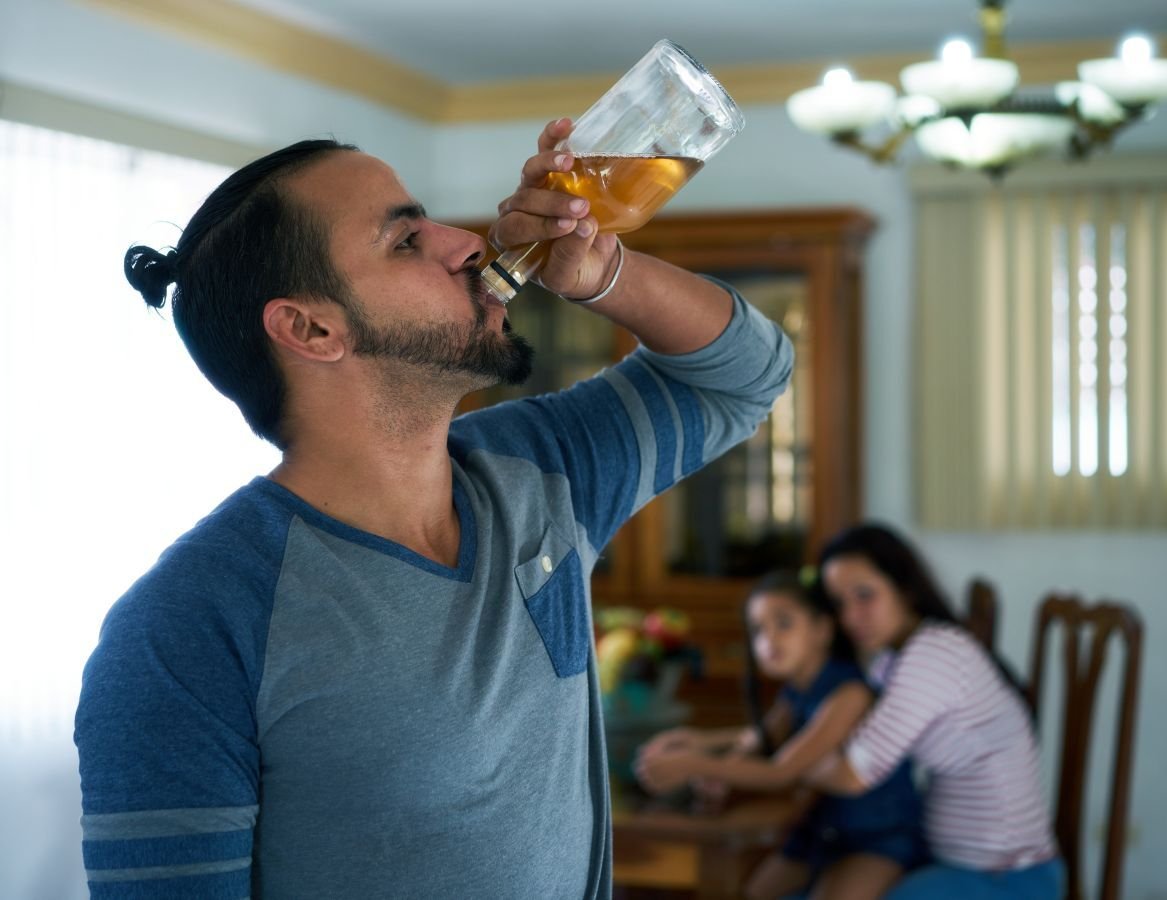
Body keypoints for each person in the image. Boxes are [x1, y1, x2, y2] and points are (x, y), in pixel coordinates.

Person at [72, 117, 794, 899]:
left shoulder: (537, 468)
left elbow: (746, 375)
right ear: (311, 328)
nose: (470, 244)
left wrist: (604, 272)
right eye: (405, 241)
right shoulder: (187, 625)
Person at [796, 522, 1064, 898]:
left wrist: (784, 768)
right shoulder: (894, 659)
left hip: (1006, 877)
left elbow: (853, 772)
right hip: (955, 863)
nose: (850, 617)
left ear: (903, 586)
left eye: (864, 595)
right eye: (840, 603)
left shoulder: (933, 654)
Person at [636, 569, 925, 899]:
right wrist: (699, 742)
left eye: (783, 623)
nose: (768, 640)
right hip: (819, 830)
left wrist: (694, 765)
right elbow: (761, 737)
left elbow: (782, 770)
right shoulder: (796, 690)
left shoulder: (849, 693)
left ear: (822, 630)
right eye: (758, 630)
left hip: (876, 835)